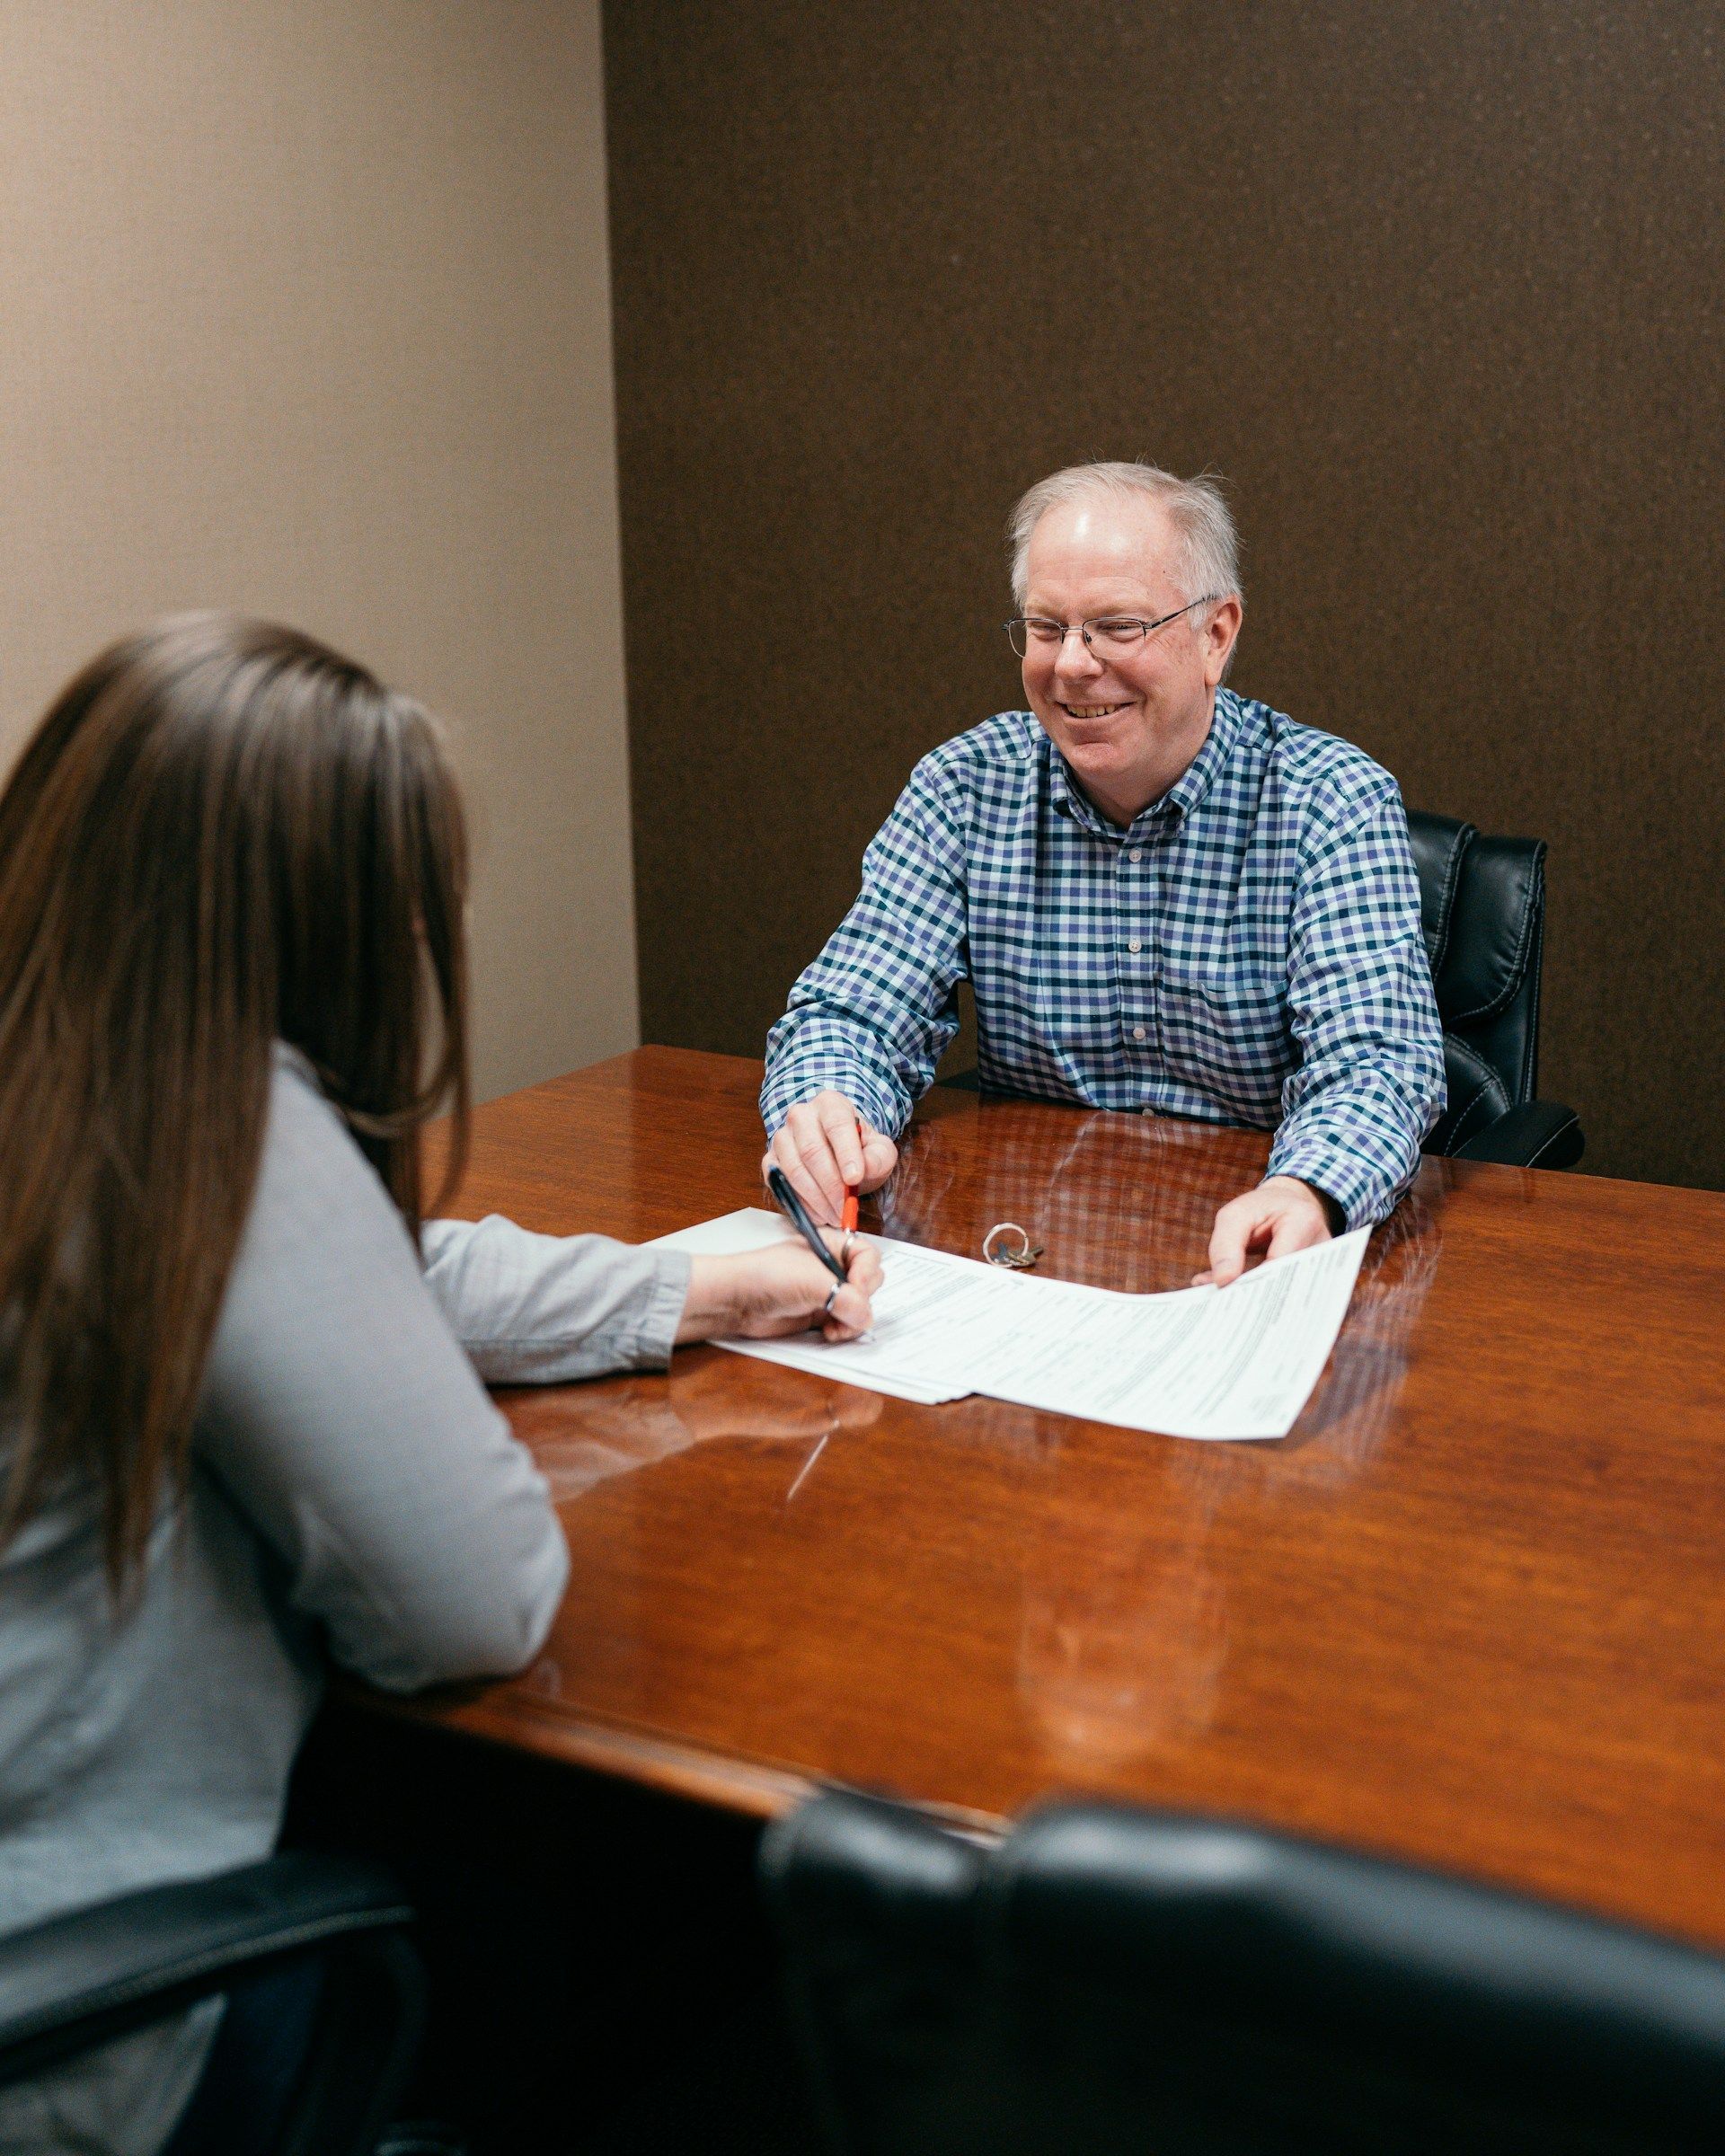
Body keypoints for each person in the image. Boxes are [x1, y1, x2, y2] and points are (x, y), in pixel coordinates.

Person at [0, 614, 879, 2154]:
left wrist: (682, 1285)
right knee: (696, 1929)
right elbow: (470, 1600)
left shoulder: (64, 1067)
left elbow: (379, 1271)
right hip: (101, 2025)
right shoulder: (224, 1126)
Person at [761, 461, 1445, 1284]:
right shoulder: (965, 787)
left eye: (1118, 626)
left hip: (1244, 1262)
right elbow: (853, 1013)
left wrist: (1309, 1189)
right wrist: (827, 1108)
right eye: (1047, 628)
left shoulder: (1331, 801)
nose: (1074, 666)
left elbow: (1377, 1061)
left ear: (1216, 635)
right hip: (1034, 1264)